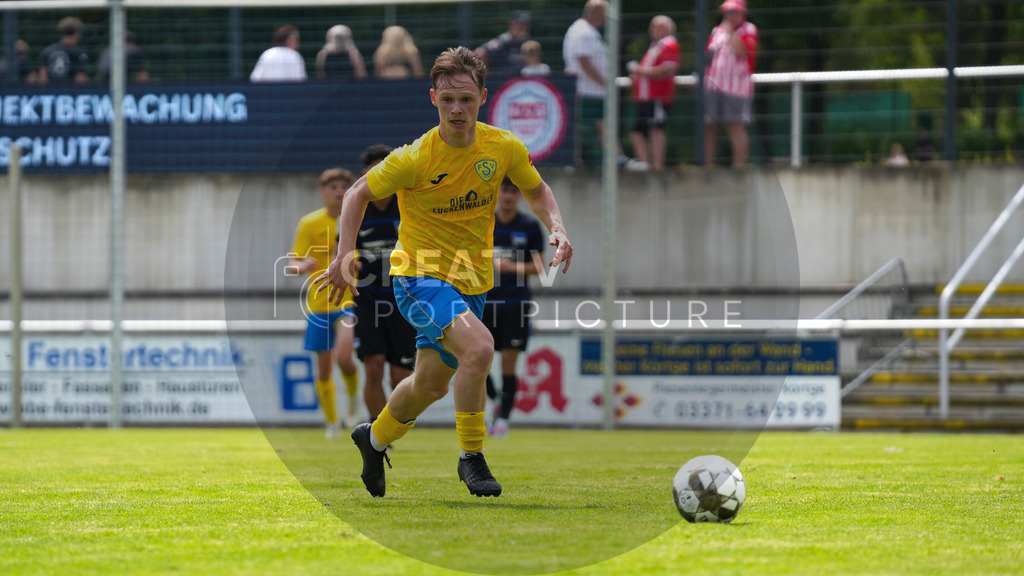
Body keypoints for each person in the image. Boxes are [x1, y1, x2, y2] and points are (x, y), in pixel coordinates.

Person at [316, 46, 573, 498]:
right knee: (480, 349)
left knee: (431, 384)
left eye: (467, 100)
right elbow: (357, 193)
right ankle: (472, 458)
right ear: (432, 98)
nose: (458, 109)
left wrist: (557, 225)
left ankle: (373, 440)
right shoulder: (415, 157)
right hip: (418, 276)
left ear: (483, 99)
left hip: (472, 281)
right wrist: (343, 253)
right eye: (448, 99)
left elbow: (537, 189)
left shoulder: (503, 147)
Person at [291, 168, 362, 439]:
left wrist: (353, 263)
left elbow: (363, 260)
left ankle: (354, 400)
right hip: (318, 305)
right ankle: (332, 422)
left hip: (346, 301)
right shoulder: (309, 223)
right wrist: (302, 266)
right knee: (323, 368)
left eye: (344, 186)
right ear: (323, 191)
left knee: (344, 357)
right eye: (333, 186)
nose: (339, 191)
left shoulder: (355, 221)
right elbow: (292, 262)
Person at [353, 144, 417, 424]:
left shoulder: (408, 205)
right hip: (367, 299)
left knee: (401, 375)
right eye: (376, 169)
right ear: (366, 174)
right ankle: (377, 434)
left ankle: (391, 426)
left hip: (404, 296)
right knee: (374, 367)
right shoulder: (357, 208)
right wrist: (347, 264)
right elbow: (341, 251)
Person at [483, 177, 545, 438]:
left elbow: (540, 267)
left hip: (515, 304)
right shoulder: (484, 223)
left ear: (519, 196)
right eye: (504, 190)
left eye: (513, 191)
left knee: (509, 364)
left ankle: (503, 422)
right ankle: (495, 401)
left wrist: (513, 267)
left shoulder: (529, 226)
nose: (508, 196)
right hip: (483, 302)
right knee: (478, 361)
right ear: (498, 192)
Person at [563, 0, 620, 167]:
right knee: (601, 124)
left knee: (599, 124)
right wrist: (605, 83)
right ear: (596, 13)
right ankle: (614, 158)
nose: (607, 19)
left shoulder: (587, 31)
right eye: (605, 15)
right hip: (588, 90)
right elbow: (584, 62)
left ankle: (612, 158)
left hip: (592, 89)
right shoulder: (583, 32)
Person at [704, 0, 758, 168]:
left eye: (734, 12)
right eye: (727, 12)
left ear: (742, 13)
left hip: (736, 87)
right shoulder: (716, 31)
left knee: (735, 125)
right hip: (713, 85)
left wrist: (730, 32)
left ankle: (739, 165)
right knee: (709, 126)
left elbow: (742, 51)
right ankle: (706, 165)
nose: (729, 15)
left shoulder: (749, 29)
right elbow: (708, 56)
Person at [628, 15, 681, 172]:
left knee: (655, 129)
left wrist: (640, 71)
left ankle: (658, 165)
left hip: (656, 96)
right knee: (637, 132)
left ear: (666, 28)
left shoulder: (669, 44)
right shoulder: (656, 45)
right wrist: (638, 75)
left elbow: (668, 69)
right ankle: (645, 164)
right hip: (645, 97)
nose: (651, 30)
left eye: (654, 26)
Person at [474, 10, 531, 79]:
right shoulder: (503, 40)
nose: (523, 27)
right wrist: (487, 78)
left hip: (524, 82)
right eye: (520, 24)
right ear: (511, 24)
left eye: (525, 24)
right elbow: (480, 52)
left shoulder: (528, 41)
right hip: (505, 83)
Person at [38, 16, 89, 86]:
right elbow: (80, 80)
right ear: (77, 33)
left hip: (51, 92)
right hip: (71, 92)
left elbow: (43, 79)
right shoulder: (79, 54)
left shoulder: (47, 51)